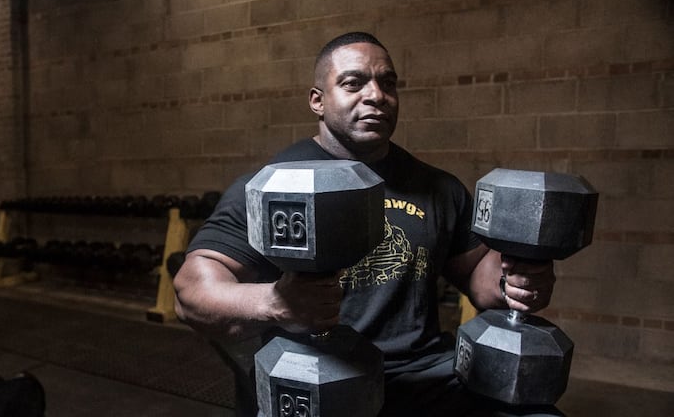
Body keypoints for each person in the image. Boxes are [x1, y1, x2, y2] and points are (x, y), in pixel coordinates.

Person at [173, 32, 559, 416]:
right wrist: (275, 303)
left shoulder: (438, 187)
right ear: (318, 101)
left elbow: (477, 273)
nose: (376, 95)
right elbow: (191, 291)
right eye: (353, 83)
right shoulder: (274, 186)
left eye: (387, 83)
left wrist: (519, 278)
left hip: (424, 377)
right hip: (322, 384)